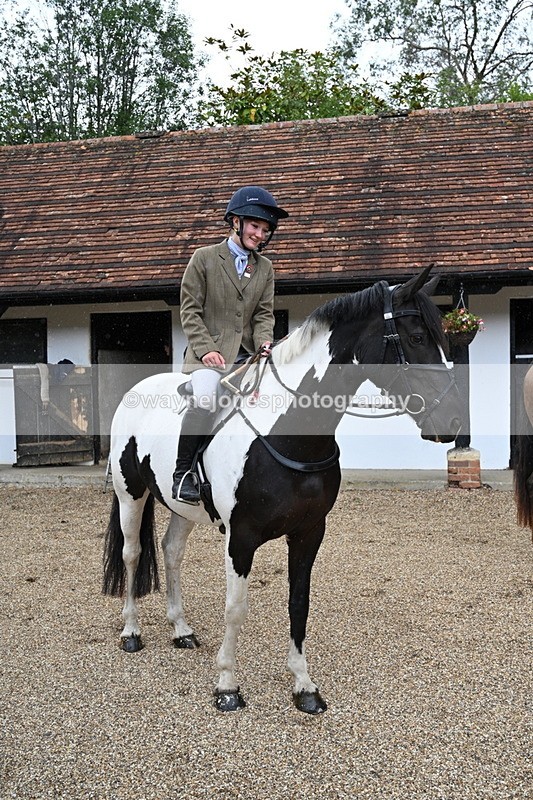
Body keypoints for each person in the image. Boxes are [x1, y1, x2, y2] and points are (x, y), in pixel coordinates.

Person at [172, 185, 289, 503]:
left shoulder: (264, 268)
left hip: (248, 356)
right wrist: (207, 348)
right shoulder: (204, 259)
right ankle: (183, 473)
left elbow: (264, 315)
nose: (260, 234)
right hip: (206, 354)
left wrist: (265, 343)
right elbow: (190, 310)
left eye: (266, 230)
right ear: (235, 222)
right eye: (255, 226)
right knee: (207, 399)